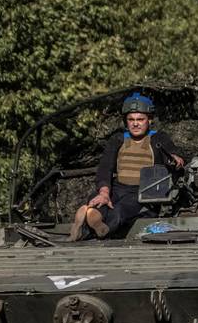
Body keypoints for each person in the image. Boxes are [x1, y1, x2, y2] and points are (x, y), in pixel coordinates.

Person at [69, 92, 187, 241]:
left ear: (149, 120)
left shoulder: (158, 138)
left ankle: (90, 225)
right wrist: (104, 193)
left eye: (140, 119)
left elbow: (172, 154)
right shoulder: (117, 140)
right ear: (126, 121)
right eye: (131, 119)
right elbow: (105, 168)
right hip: (118, 187)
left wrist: (176, 159)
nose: (135, 123)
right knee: (99, 201)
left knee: (120, 211)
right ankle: (92, 218)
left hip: (142, 192)